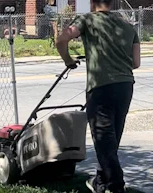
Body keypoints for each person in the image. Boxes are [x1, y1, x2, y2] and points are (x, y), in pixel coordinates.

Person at [55, 0, 141, 193]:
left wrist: (68, 60)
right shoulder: (128, 26)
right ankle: (100, 183)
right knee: (112, 140)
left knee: (103, 141)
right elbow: (136, 63)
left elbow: (61, 40)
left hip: (100, 87)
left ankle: (117, 186)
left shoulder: (87, 20)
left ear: (92, 3)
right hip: (125, 87)